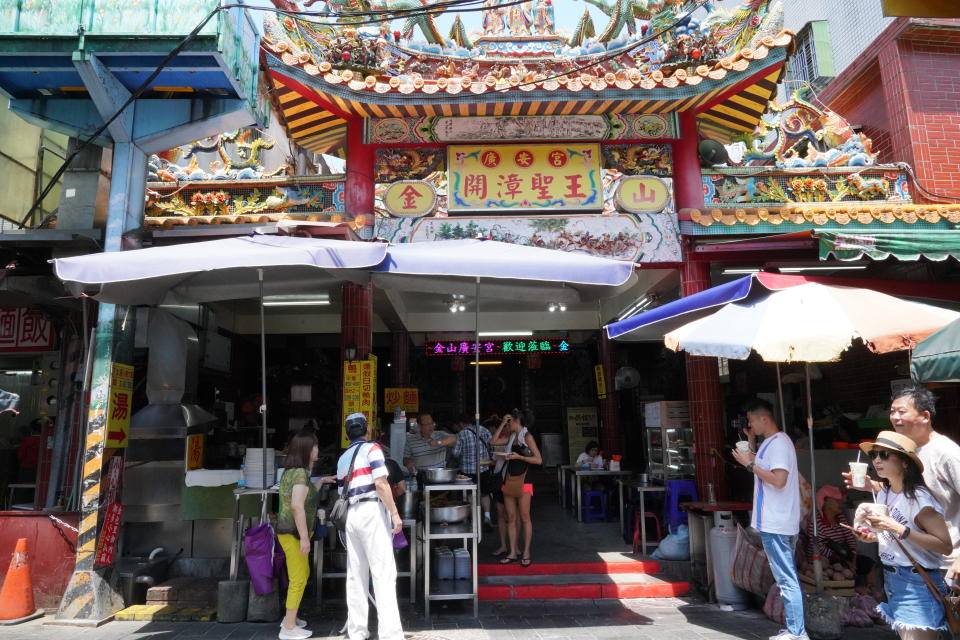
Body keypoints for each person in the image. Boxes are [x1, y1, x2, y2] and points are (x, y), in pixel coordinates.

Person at [843, 432, 952, 639]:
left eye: (884, 454)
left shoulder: (919, 499)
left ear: (904, 462)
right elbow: (892, 537)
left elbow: (945, 545)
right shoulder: (886, 492)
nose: (876, 460)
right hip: (892, 579)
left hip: (917, 582)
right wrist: (872, 537)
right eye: (874, 455)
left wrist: (899, 529)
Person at [843, 387, 960, 574]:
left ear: (925, 416)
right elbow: (911, 492)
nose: (895, 417)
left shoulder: (946, 453)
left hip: (948, 562)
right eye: (892, 411)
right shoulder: (906, 451)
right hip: (916, 562)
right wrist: (872, 485)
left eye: (902, 411)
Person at [732, 399, 807, 640]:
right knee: (785, 576)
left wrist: (749, 465)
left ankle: (797, 632)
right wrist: (751, 447)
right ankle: (794, 629)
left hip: (778, 522)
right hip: (775, 520)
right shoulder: (771, 443)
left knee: (786, 578)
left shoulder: (779, 444)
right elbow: (765, 466)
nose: (750, 425)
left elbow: (778, 480)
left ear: (764, 418)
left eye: (752, 420)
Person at [337, 413, 403, 640]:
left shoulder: (343, 458)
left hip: (352, 516)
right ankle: (390, 634)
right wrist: (395, 513)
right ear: (367, 431)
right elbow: (381, 483)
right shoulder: (373, 449)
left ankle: (357, 632)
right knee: (383, 574)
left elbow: (340, 492)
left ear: (347, 434)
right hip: (372, 512)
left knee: (356, 576)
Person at [276, 429, 335, 640]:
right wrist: (303, 538)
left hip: (290, 532)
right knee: (298, 578)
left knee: (301, 574)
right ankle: (288, 628)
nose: (318, 450)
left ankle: (292, 618)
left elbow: (304, 496)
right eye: (315, 446)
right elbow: (296, 507)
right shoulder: (299, 473)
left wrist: (321, 482)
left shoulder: (292, 471)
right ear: (306, 449)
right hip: (293, 533)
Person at [490, 408, 541, 567]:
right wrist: (503, 422)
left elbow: (538, 460)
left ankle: (526, 552)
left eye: (509, 421)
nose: (507, 424)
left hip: (525, 480)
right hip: (509, 479)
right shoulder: (511, 436)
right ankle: (512, 552)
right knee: (511, 518)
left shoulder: (527, 436)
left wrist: (519, 456)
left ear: (517, 421)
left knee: (525, 517)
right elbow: (493, 442)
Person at [434, 414, 495, 529]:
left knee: (469, 496)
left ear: (461, 424)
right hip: (484, 468)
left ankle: (473, 521)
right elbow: (492, 447)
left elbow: (456, 453)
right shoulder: (484, 430)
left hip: (467, 471)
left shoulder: (462, 434)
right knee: (485, 494)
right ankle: (487, 516)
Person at [806, 485, 856, 568]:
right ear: (825, 502)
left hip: (841, 554)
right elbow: (818, 546)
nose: (841, 503)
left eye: (841, 501)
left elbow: (850, 537)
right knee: (841, 571)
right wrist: (841, 559)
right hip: (822, 559)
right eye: (837, 501)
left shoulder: (841, 518)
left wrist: (854, 554)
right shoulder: (815, 522)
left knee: (867, 563)